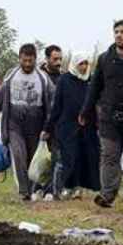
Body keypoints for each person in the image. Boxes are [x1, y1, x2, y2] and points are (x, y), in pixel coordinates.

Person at [83, 20, 123, 207]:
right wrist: (86, 109)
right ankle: (107, 195)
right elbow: (95, 86)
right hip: (108, 116)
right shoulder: (104, 59)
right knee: (109, 155)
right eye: (116, 31)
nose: (119, 35)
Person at [0, 44, 55, 202]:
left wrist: (49, 126)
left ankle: (34, 190)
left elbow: (53, 103)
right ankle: (24, 191)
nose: (27, 64)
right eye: (24, 60)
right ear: (19, 58)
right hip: (14, 123)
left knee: (33, 158)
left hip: (36, 122)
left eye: (30, 61)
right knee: (19, 154)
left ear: (35, 59)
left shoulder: (43, 78)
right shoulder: (10, 77)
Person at [44, 51, 99, 200]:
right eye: (81, 63)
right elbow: (57, 106)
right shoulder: (65, 80)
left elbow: (95, 103)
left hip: (86, 128)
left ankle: (77, 189)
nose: (83, 67)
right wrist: (48, 128)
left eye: (86, 63)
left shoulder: (91, 80)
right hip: (67, 127)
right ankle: (61, 189)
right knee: (67, 159)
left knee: (82, 158)